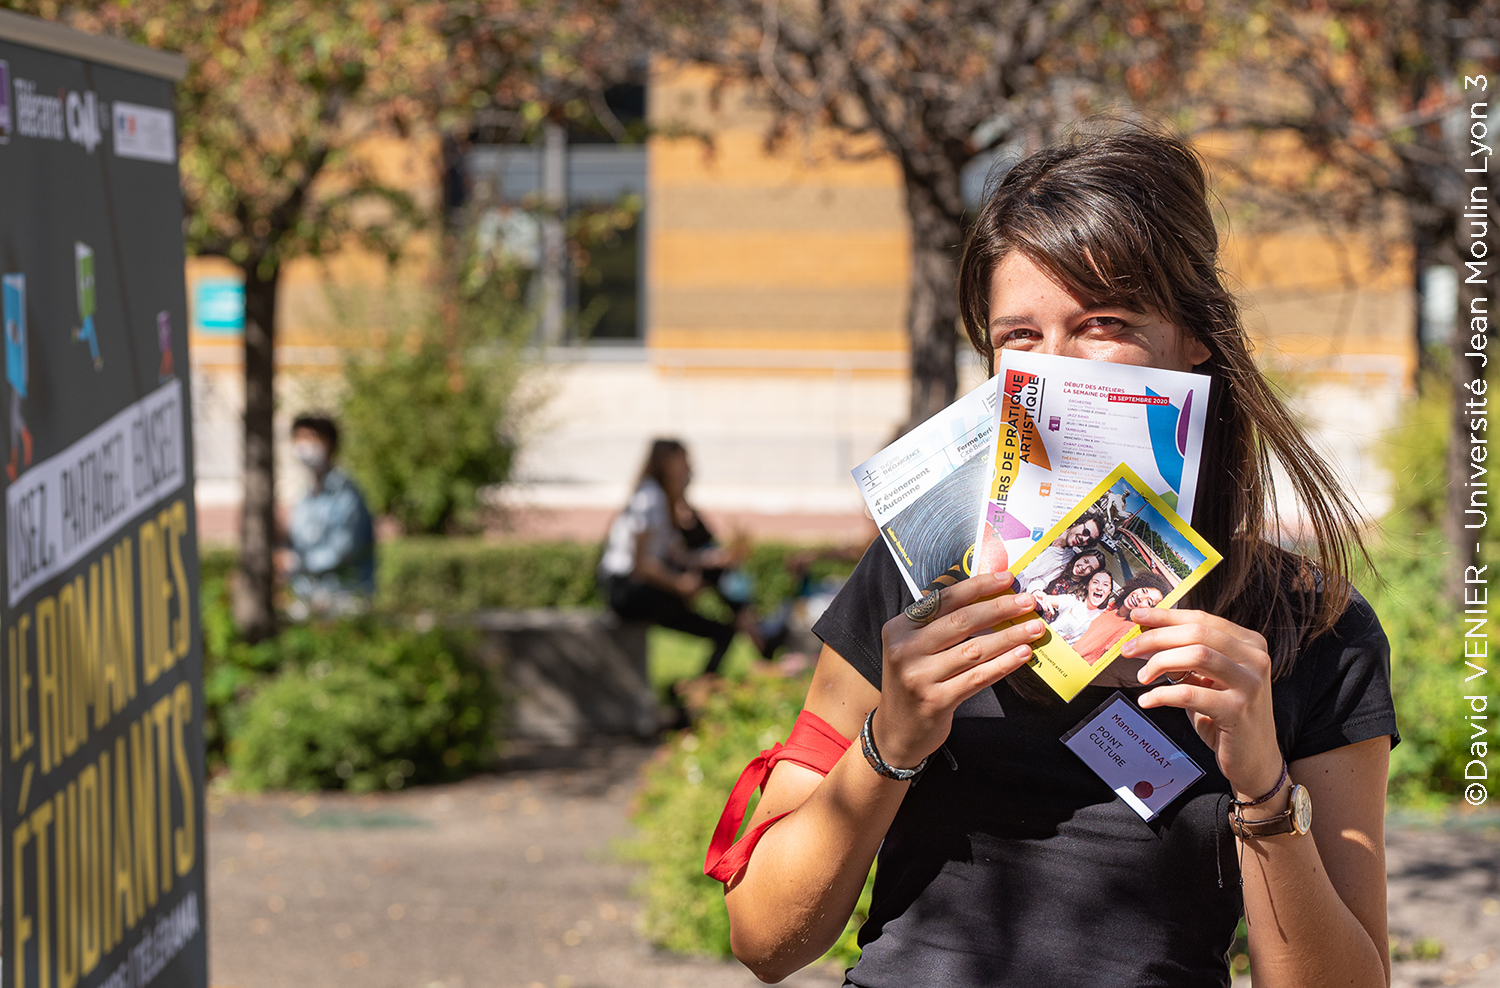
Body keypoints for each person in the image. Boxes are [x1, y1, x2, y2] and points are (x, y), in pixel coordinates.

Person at [704, 130, 1396, 988]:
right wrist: (894, 740)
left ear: (1195, 341)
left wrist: (1262, 790)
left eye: (1103, 324)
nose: (1056, 369)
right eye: (1020, 335)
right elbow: (766, 940)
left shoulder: (1313, 630)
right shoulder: (920, 573)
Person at [599, 439, 775, 677]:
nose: (689, 468)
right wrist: (678, 585)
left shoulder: (660, 499)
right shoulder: (649, 498)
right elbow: (643, 565)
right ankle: (759, 636)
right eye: (684, 461)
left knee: (723, 632)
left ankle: (693, 696)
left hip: (641, 588)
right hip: (625, 590)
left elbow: (676, 556)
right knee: (714, 577)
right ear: (667, 462)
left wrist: (718, 558)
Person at [282, 414, 376, 618]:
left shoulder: (346, 493)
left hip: (344, 600)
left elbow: (342, 550)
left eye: (311, 438)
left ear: (330, 445)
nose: (303, 446)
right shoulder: (304, 495)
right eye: (298, 438)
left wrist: (294, 563)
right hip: (307, 600)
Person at [1072, 571, 1172, 665]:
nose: (1140, 597)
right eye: (1143, 591)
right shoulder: (1113, 606)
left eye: (1149, 602)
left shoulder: (1129, 629)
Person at [1018, 511, 1105, 592]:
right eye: (1086, 532)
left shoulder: (1067, 559)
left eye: (1089, 540)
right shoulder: (1049, 525)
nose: (1084, 539)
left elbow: (1043, 580)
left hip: (1017, 587)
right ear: (1077, 523)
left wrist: (1036, 592)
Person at [1035, 567, 1117, 645]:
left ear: (1109, 591)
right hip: (1045, 641)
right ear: (1088, 586)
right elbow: (1042, 599)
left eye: (1105, 585)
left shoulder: (1105, 616)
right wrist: (1038, 594)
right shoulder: (1073, 601)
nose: (1099, 587)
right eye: (1095, 582)